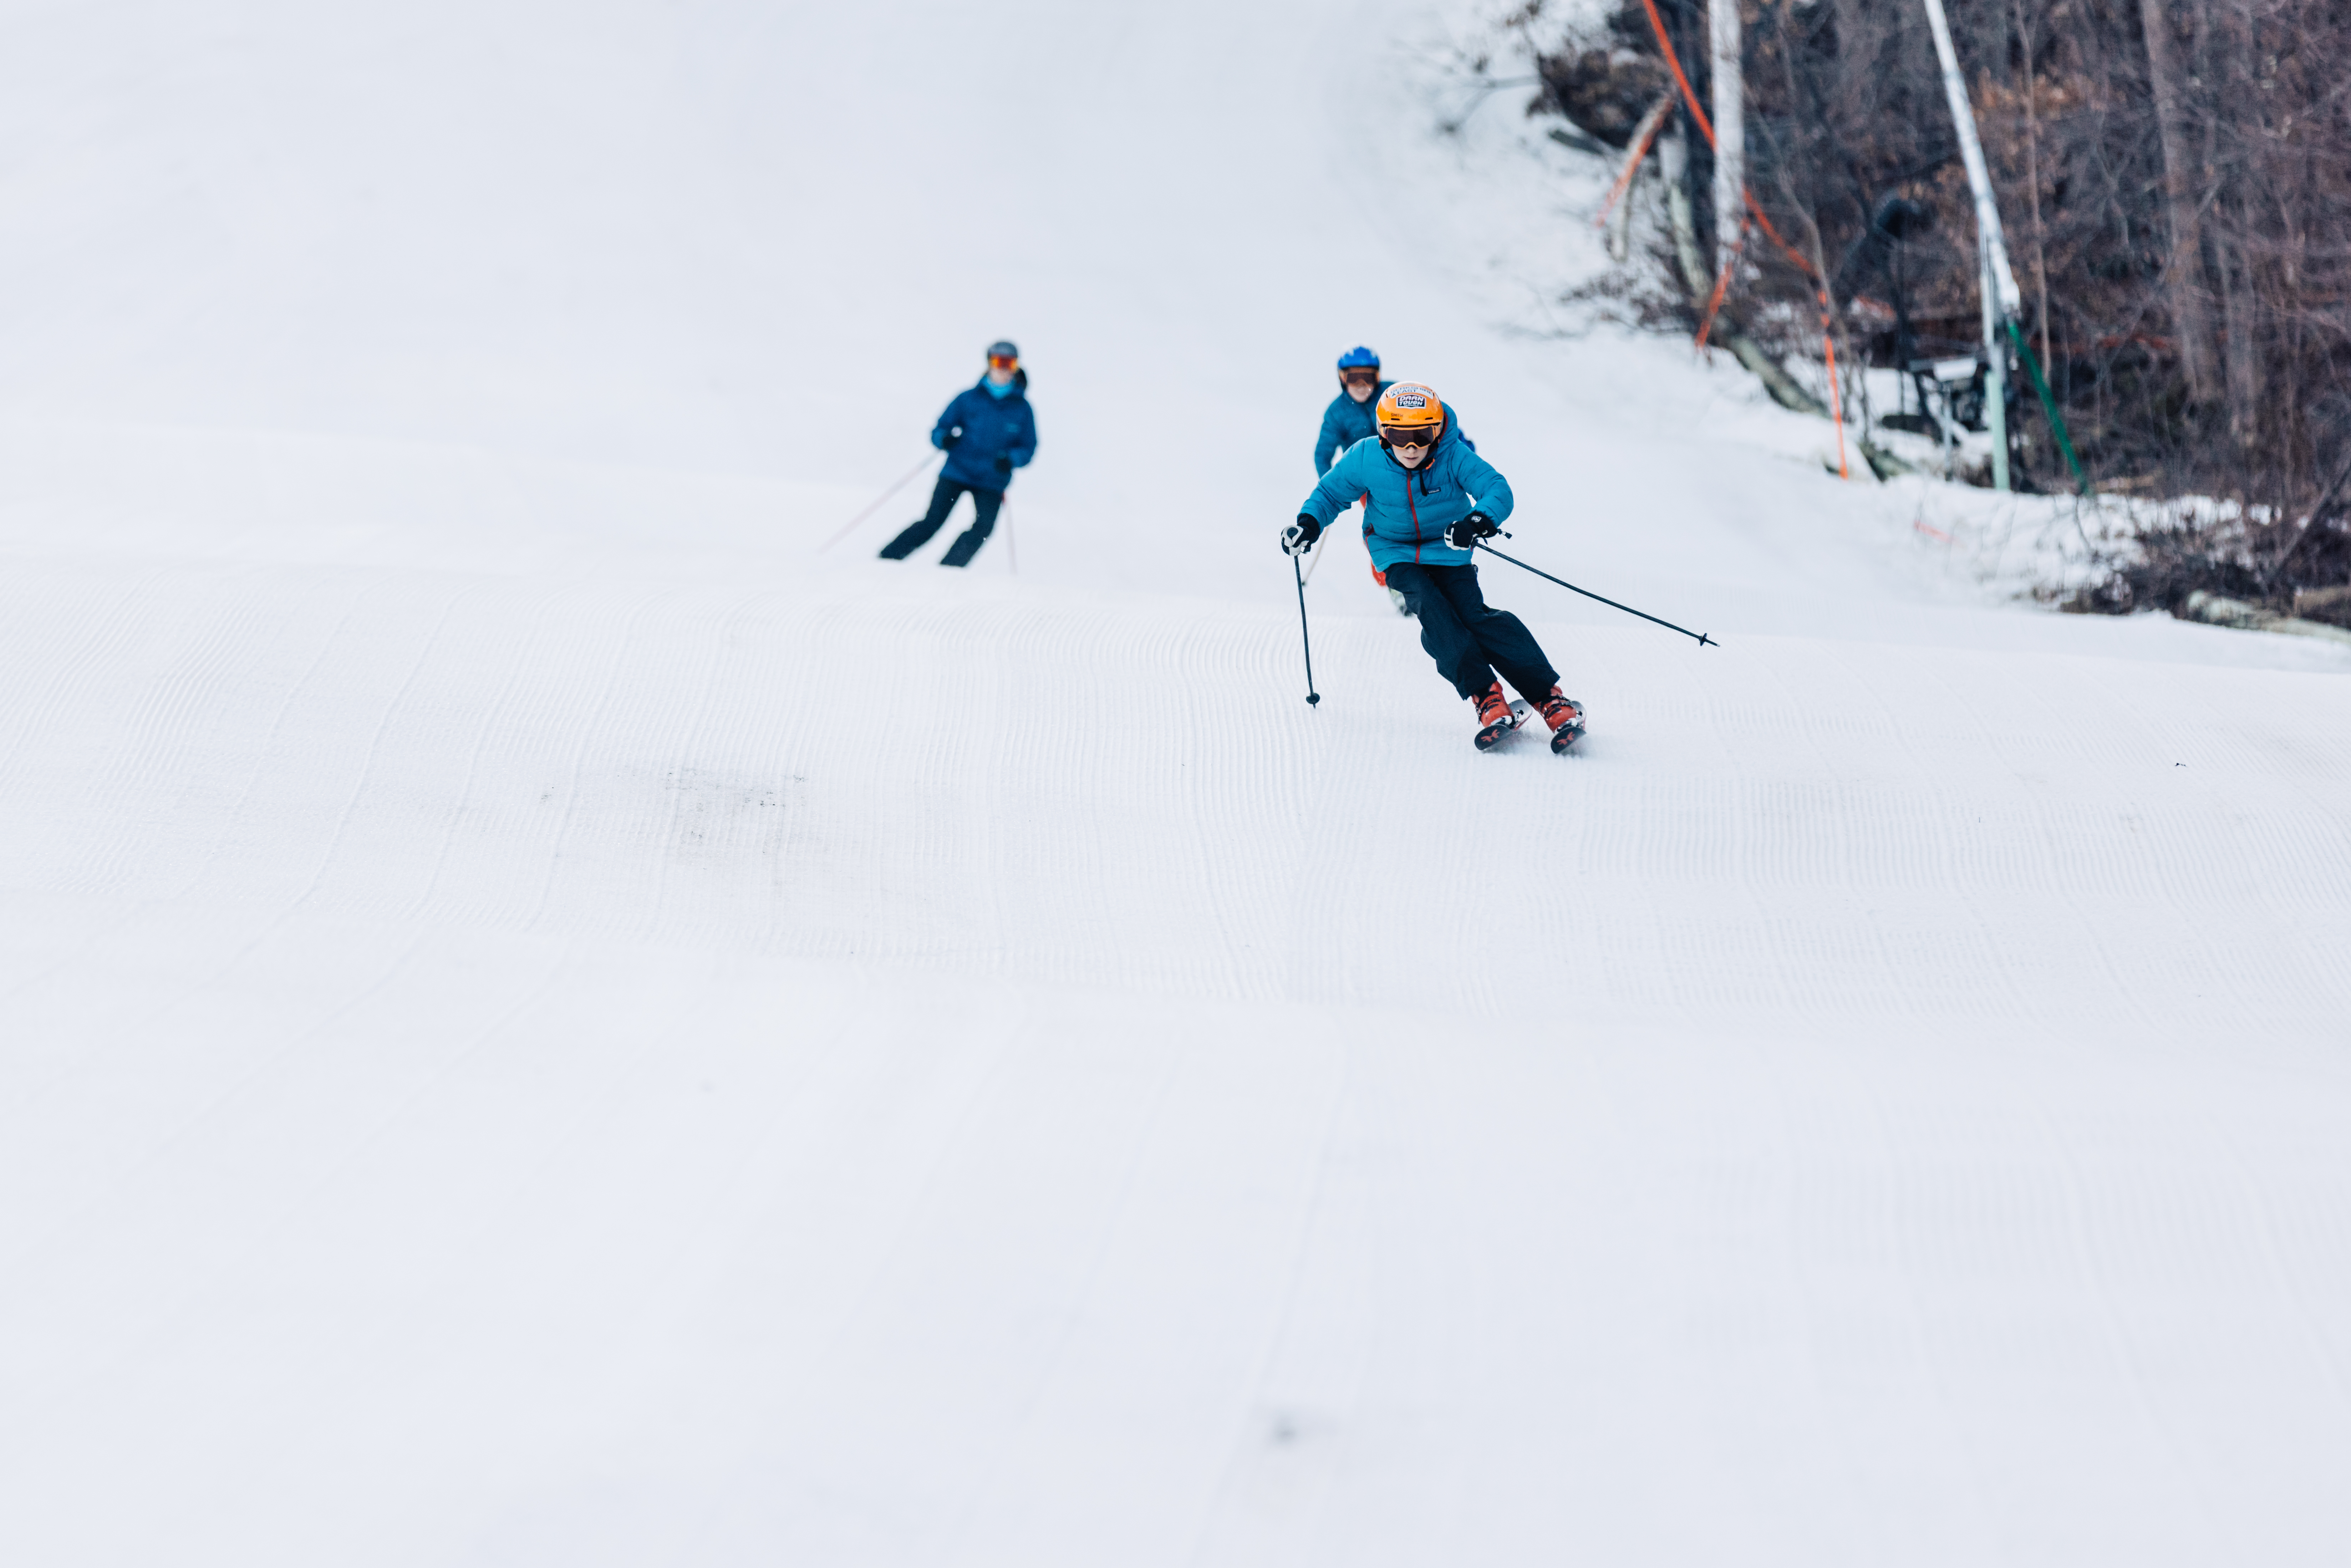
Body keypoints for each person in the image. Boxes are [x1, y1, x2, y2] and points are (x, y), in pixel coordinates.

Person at [1284, 381, 1585, 753]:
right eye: (1399, 435)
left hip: (1447, 548)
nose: (1411, 447)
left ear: (1438, 430)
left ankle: (1549, 698)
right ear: (1383, 432)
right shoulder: (1366, 457)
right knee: (1431, 607)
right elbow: (1330, 493)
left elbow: (1497, 488)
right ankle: (1486, 696)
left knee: (1475, 617)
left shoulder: (1453, 455)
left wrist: (1477, 521)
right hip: (1394, 551)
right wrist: (1308, 525)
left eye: (1422, 435)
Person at [1312, 346, 1471, 615]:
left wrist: (1461, 446)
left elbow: (1430, 419)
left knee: (1428, 518)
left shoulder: (1393, 397)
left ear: (1378, 376)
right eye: (1354, 379)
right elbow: (1323, 453)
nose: (1362, 386)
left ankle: (1437, 572)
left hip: (1417, 467)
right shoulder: (1337, 412)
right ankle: (1397, 584)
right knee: (1385, 530)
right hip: (1371, 479)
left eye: (1368, 377)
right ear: (1342, 378)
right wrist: (1334, 489)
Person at [880, 341, 1037, 566]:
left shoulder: (1022, 409)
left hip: (992, 480)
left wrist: (1012, 459)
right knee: (932, 521)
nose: (1002, 367)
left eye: (1008, 362)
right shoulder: (968, 398)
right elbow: (939, 429)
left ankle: (948, 570)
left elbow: (1028, 448)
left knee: (983, 529)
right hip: (957, 472)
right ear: (988, 363)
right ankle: (886, 560)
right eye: (997, 361)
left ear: (1016, 366)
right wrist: (944, 439)